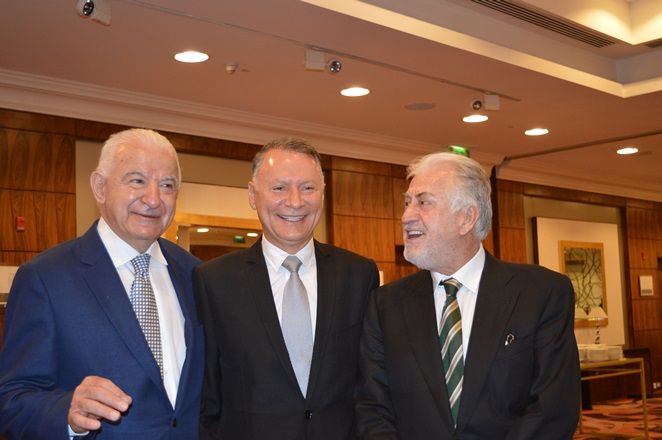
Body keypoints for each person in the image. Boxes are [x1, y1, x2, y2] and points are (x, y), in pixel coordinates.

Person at [355, 152, 580, 439]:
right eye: (407, 202)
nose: (406, 216)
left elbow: (553, 408)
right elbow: (372, 408)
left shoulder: (541, 293)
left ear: (467, 218)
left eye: (423, 202)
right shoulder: (385, 305)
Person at [0, 128, 204, 439]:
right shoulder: (45, 278)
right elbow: (11, 400)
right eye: (137, 181)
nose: (153, 199)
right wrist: (68, 412)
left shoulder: (195, 273)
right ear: (99, 187)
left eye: (167, 185)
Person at [194, 137, 380, 439]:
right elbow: (208, 397)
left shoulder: (359, 274)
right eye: (279, 188)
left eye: (308, 188)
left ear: (322, 194)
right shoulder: (214, 281)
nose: (295, 201)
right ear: (253, 195)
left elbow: (371, 384)